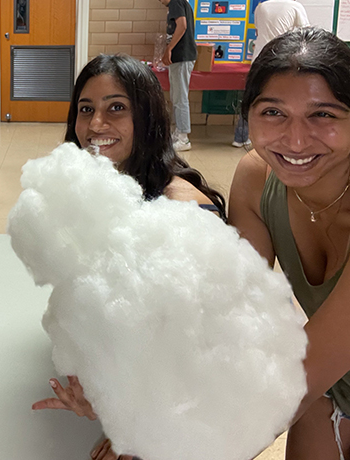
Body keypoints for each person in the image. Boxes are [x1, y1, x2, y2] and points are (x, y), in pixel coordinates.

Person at [34, 53, 226, 460]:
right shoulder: (103, 186)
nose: (96, 125)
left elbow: (197, 352)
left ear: (147, 117)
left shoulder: (183, 211)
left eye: (116, 108)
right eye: (86, 110)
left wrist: (130, 423)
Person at [229, 27, 350, 459]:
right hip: (331, 390)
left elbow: (295, 384)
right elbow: (234, 318)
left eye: (324, 115)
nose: (296, 140)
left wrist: (156, 430)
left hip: (316, 376)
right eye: (273, 113)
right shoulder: (255, 179)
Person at [232, 0, 309, 148]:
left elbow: (258, 32)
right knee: (280, 102)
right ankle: (274, 137)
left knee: (253, 98)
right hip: (281, 60)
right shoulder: (295, 7)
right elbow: (304, 35)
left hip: (259, 58)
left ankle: (240, 138)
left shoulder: (262, 7)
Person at [158, 0, 197, 152]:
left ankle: (183, 137)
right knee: (176, 96)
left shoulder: (176, 2)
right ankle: (178, 131)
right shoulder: (180, 3)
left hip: (182, 56)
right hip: (180, 57)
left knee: (180, 97)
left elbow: (182, 25)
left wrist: (169, 48)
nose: (160, 1)